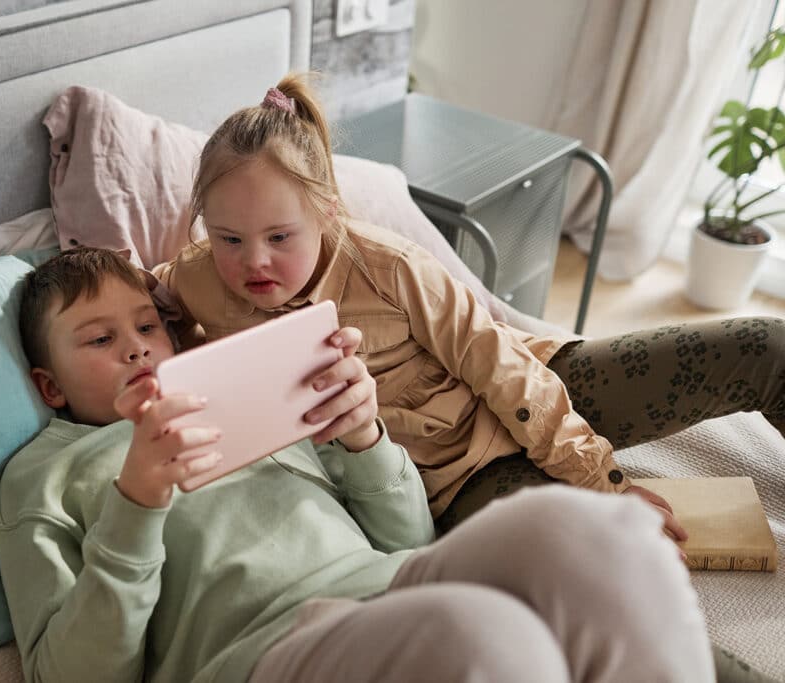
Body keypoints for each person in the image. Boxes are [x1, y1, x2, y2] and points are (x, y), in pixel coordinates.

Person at [0, 247, 713, 683]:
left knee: (603, 534)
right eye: (98, 339)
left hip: (387, 582)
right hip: (258, 651)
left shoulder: (235, 391)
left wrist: (363, 435)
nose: (137, 348)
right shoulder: (43, 478)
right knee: (484, 640)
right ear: (49, 385)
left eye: (148, 325)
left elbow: (408, 539)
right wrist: (140, 498)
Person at [152, 72, 785, 536]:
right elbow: (127, 299)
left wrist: (598, 477)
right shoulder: (193, 281)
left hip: (539, 383)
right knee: (607, 567)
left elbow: (499, 368)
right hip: (459, 484)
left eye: (279, 237)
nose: (253, 262)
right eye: (229, 238)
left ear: (327, 210)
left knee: (769, 348)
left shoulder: (390, 268)